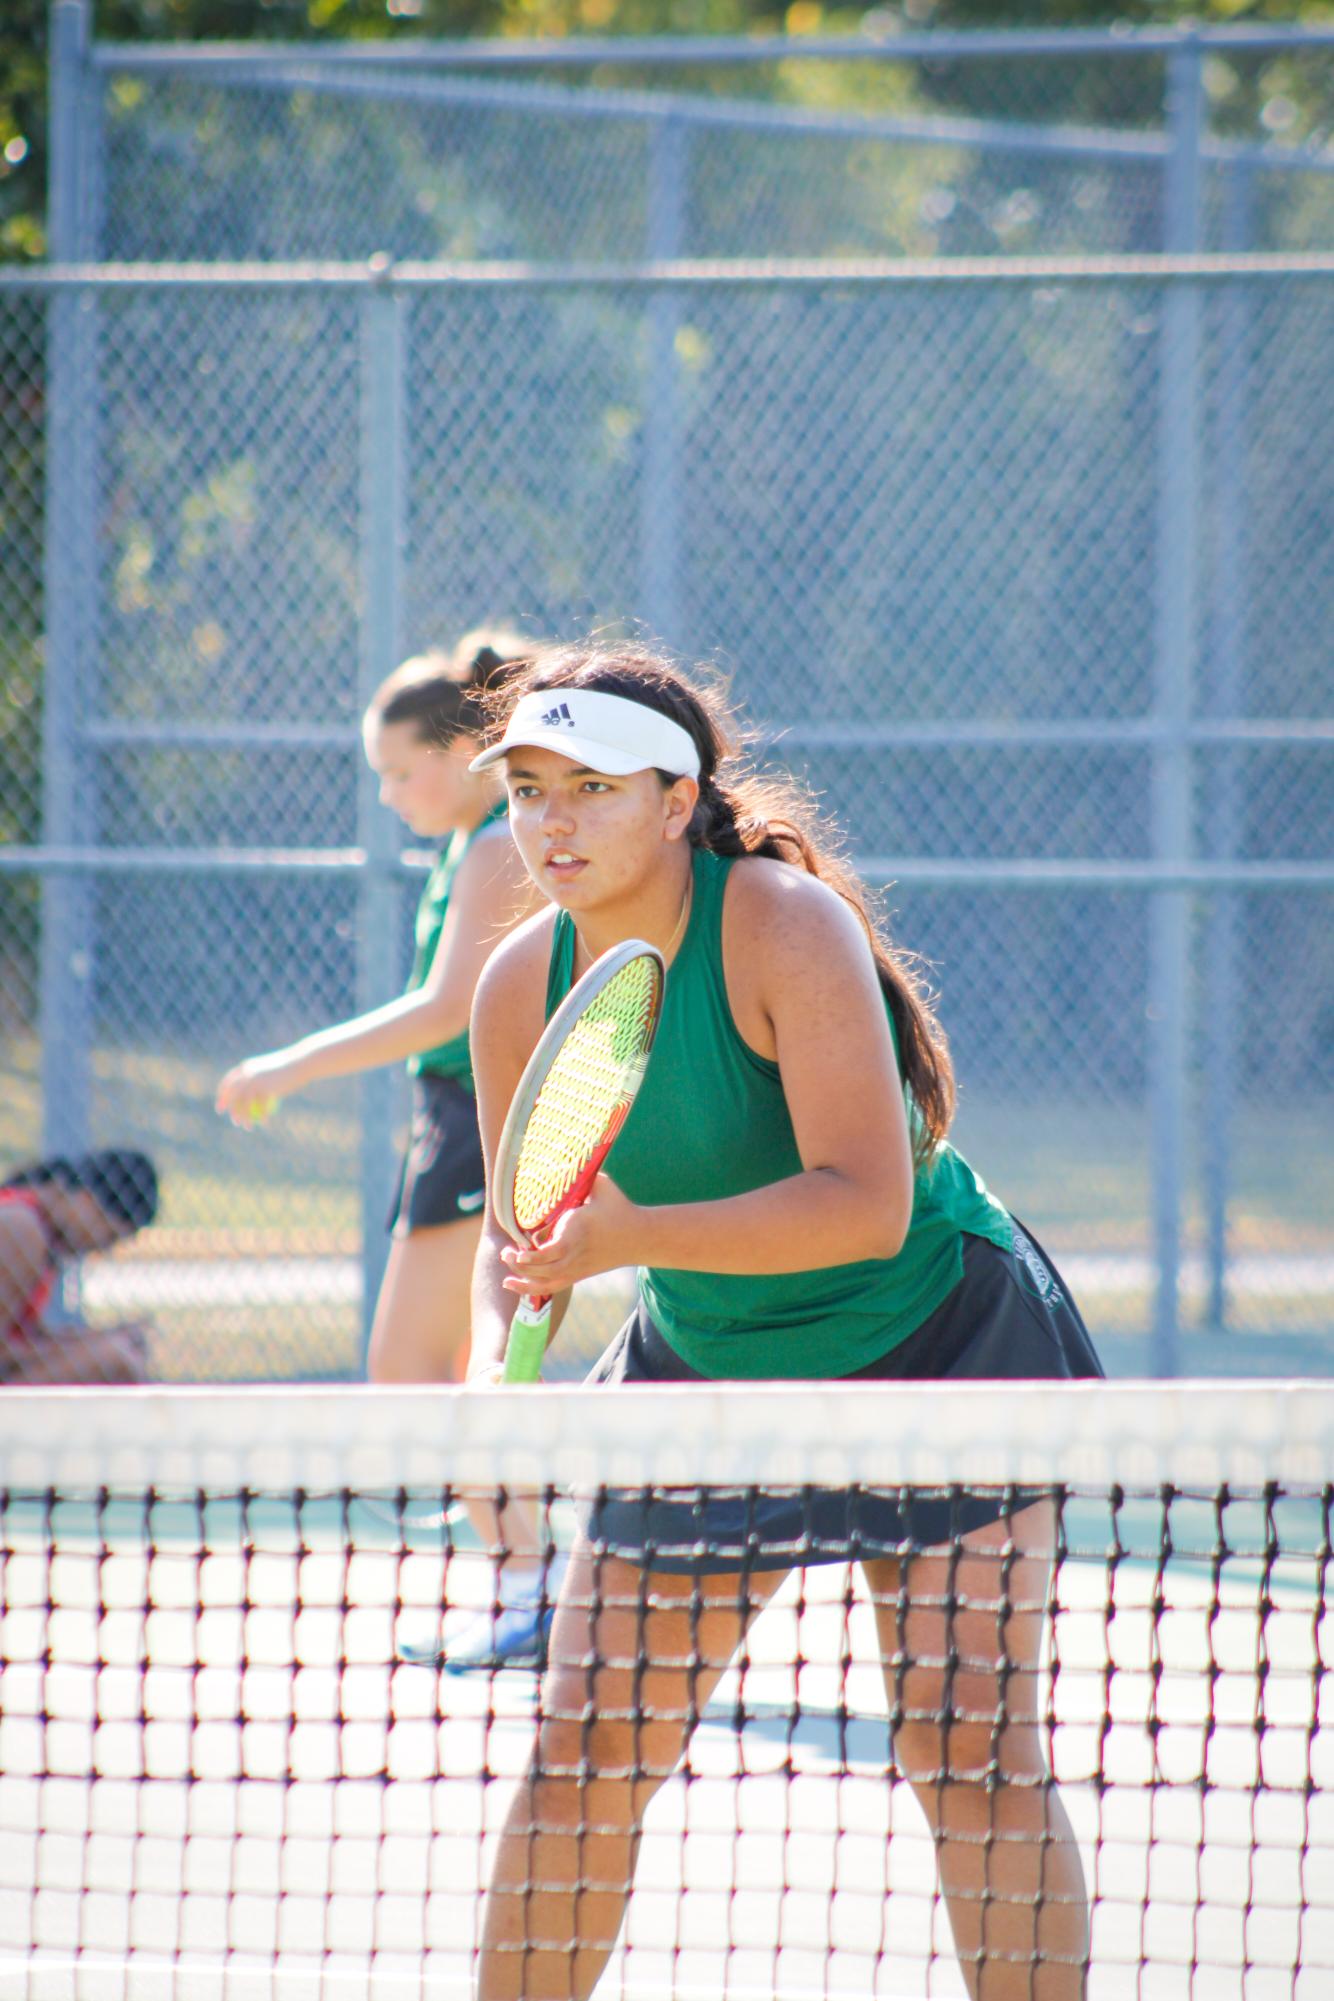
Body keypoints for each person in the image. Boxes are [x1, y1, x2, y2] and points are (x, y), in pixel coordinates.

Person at [464, 641, 1103, 2000]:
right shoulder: (516, 983)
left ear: (676, 798)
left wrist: (623, 1237)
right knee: (579, 1752)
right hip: (706, 1374)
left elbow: (862, 1204)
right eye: (525, 789)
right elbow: (519, 1238)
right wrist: (487, 1385)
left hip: (940, 1352)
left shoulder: (775, 925)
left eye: (588, 787)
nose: (550, 821)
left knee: (969, 1745)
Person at [216, 631, 559, 1670]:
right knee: (452, 1366)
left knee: (416, 1368)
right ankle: (533, 1574)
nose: (391, 795)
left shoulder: (500, 844)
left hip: (479, 1123)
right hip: (463, 1122)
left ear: (461, 753)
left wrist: (289, 1066)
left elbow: (449, 1009)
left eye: (400, 771)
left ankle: (531, 1587)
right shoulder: (475, 845)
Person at [0, 1149, 159, 1384]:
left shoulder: (42, 1236)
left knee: (121, 1349)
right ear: (86, 1200)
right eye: (108, 1236)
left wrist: (100, 1338)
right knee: (117, 1361)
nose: (100, 1250)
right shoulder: (22, 1227)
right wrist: (99, 1350)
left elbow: (23, 1336)